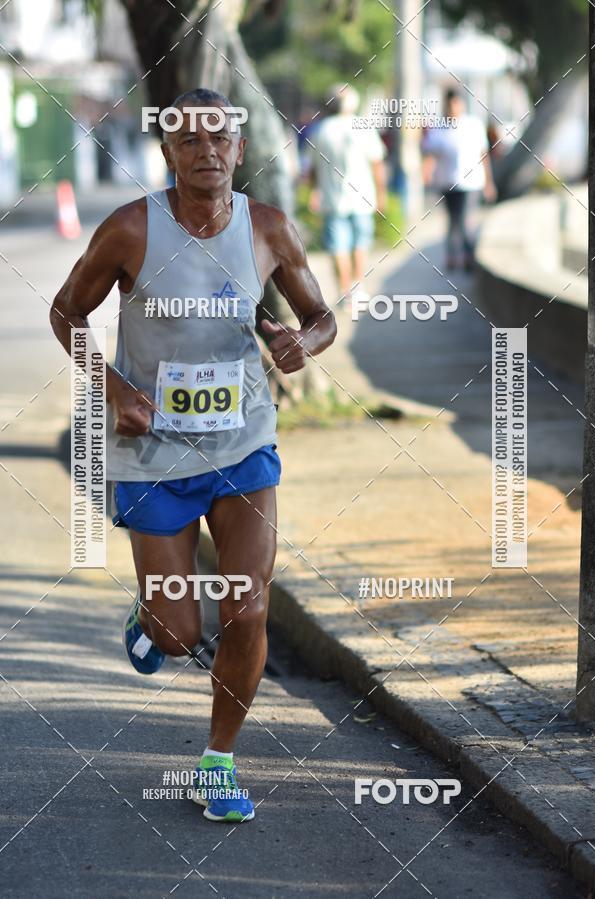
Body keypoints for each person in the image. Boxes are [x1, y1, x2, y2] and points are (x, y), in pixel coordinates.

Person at [50, 87, 336, 823]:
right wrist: (112, 387)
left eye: (220, 137)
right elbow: (66, 311)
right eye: (190, 140)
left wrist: (303, 343)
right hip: (152, 454)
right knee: (180, 635)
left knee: (249, 604)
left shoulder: (269, 229)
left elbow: (322, 317)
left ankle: (218, 763)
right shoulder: (129, 231)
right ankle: (151, 622)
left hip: (243, 447)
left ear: (239, 151)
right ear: (169, 154)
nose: (207, 149)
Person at [306, 85, 387, 306]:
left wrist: (314, 192)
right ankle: (357, 287)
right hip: (362, 198)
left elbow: (311, 170)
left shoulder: (320, 131)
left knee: (338, 248)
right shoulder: (363, 128)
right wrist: (381, 194)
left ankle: (344, 293)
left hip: (332, 200)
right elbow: (377, 163)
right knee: (360, 244)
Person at [421, 88, 496, 270]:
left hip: (470, 183)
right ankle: (452, 256)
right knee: (453, 221)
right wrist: (426, 174)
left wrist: (488, 182)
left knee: (464, 220)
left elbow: (483, 155)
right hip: (447, 182)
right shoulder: (439, 128)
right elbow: (430, 155)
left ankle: (469, 256)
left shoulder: (473, 125)